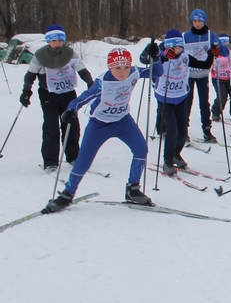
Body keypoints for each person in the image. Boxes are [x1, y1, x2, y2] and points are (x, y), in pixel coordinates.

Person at [43, 45, 163, 213]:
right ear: (110, 67)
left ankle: (133, 189)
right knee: (83, 161)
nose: (123, 72)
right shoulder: (102, 82)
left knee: (141, 149)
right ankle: (67, 194)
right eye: (118, 68)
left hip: (123, 121)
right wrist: (70, 110)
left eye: (126, 67)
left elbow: (156, 72)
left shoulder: (135, 73)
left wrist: (156, 57)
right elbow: (82, 99)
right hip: (99, 124)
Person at [20, 25, 94, 172]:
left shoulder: (70, 54)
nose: (57, 43)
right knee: (51, 126)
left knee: (71, 125)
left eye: (60, 40)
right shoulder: (40, 55)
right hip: (48, 94)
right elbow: (30, 75)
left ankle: (73, 156)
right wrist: (26, 91)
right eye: (54, 40)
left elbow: (82, 71)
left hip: (68, 93)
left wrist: (91, 84)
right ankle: (51, 161)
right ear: (48, 40)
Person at [153, 29, 193, 175]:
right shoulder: (160, 55)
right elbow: (147, 60)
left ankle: (176, 153)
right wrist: (162, 57)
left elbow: (201, 63)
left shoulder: (185, 56)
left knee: (183, 131)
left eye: (180, 46)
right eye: (174, 47)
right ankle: (168, 159)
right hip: (165, 99)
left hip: (181, 97)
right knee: (172, 130)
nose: (177, 50)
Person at [183, 9, 222, 144]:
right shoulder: (186, 36)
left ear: (204, 21)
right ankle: (184, 130)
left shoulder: (211, 35)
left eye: (200, 21)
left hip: (203, 75)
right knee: (187, 102)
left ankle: (207, 130)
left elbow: (222, 49)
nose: (197, 24)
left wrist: (217, 50)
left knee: (204, 103)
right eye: (195, 21)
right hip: (189, 74)